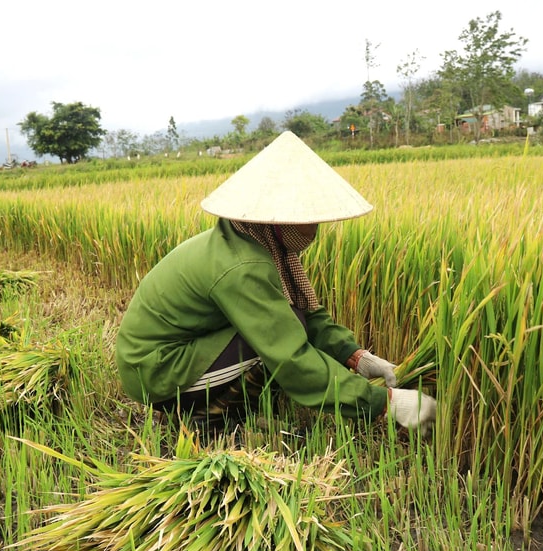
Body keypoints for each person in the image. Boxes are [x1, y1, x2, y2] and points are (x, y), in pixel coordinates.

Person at [115, 131, 436, 435]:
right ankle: (209, 422)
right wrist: (383, 403)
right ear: (278, 219)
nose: (314, 230)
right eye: (307, 218)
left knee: (290, 320)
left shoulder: (253, 241)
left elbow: (304, 315)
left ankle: (232, 410)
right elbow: (289, 357)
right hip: (154, 371)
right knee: (274, 342)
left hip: (174, 355)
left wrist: (354, 355)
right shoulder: (243, 265)